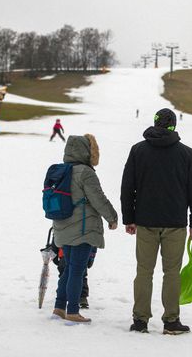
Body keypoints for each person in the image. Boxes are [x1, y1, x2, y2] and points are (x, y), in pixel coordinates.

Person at [121, 108, 192, 335]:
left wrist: (129, 218)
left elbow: (128, 187)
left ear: (155, 123)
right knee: (172, 273)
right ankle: (171, 321)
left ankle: (140, 320)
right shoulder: (186, 153)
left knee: (144, 271)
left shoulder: (138, 150)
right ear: (174, 126)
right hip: (175, 223)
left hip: (145, 221)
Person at [52, 134, 118, 323]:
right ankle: (72, 310)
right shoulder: (85, 172)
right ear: (85, 151)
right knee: (77, 270)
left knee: (68, 269)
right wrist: (112, 218)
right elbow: (98, 199)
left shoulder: (61, 171)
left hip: (62, 227)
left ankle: (59, 307)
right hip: (82, 229)